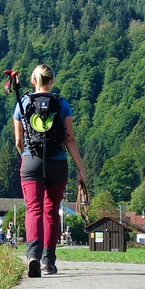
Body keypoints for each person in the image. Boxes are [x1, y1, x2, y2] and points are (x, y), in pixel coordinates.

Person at [12, 63, 89, 277]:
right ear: (52, 81)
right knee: (51, 211)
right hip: (58, 163)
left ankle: (32, 256)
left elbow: (19, 141)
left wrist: (26, 157)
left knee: (33, 209)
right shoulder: (62, 104)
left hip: (31, 161)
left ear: (33, 81)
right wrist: (80, 170)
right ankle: (48, 262)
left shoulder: (23, 102)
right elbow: (69, 138)